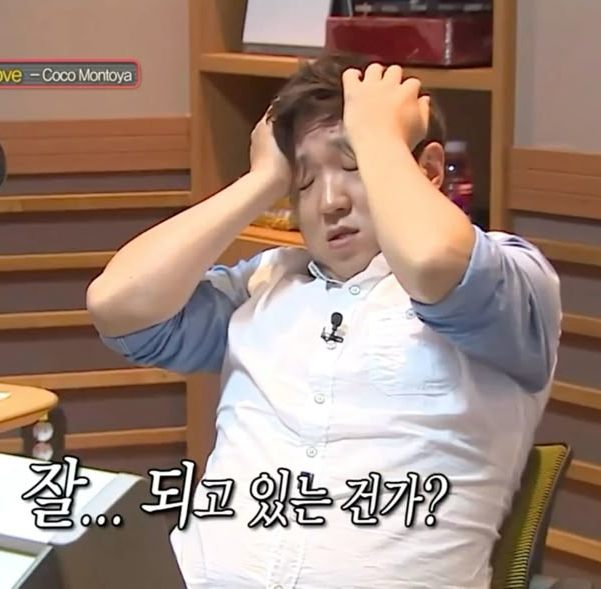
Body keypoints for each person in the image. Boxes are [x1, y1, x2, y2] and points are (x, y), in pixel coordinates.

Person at [85, 53, 562, 589]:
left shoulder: (511, 279)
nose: (329, 202)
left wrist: (379, 135)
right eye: (306, 181)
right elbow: (116, 306)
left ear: (429, 171)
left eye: (353, 164)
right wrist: (263, 179)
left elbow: (432, 262)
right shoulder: (265, 283)